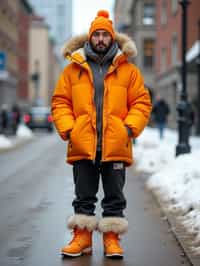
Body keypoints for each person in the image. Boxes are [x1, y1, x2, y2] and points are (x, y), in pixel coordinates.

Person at [51, 10, 152, 258]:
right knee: (83, 196)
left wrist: (128, 129)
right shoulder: (73, 69)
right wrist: (69, 129)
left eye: (104, 34)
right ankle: (82, 239)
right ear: (89, 37)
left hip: (115, 144)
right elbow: (60, 102)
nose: (99, 38)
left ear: (112, 38)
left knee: (114, 196)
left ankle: (112, 239)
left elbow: (141, 102)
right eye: (95, 34)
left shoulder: (128, 71)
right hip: (83, 144)